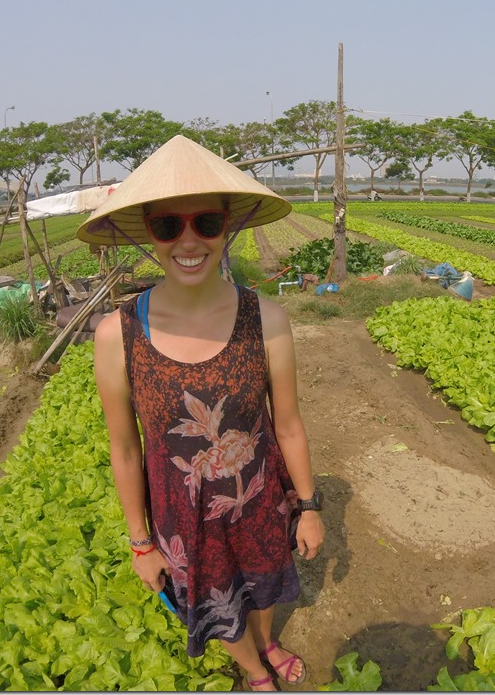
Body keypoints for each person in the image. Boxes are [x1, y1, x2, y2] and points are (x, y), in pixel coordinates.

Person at [78, 135, 325, 691]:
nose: (188, 241)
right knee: (217, 595)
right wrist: (141, 542)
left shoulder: (267, 319)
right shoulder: (117, 334)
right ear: (149, 234)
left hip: (259, 493)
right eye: (168, 226)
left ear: (227, 227)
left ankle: (267, 639)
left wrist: (308, 506)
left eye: (206, 224)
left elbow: (287, 424)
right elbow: (125, 448)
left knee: (263, 581)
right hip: (183, 513)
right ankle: (253, 666)